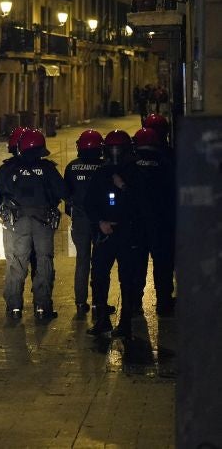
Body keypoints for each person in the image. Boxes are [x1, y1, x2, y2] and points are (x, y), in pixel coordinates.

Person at [0, 129, 66, 320]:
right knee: (43, 261)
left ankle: (14, 307)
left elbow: (0, 195)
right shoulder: (48, 169)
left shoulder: (7, 169)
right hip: (43, 221)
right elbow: (63, 192)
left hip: (18, 222)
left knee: (17, 263)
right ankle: (42, 307)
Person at [85, 130, 145, 338]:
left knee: (127, 279)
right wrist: (100, 223)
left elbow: (141, 204)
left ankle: (126, 322)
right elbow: (89, 203)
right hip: (105, 233)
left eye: (119, 149)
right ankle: (102, 320)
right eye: (113, 150)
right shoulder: (101, 173)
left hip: (127, 232)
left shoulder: (135, 173)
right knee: (99, 277)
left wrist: (124, 187)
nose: (116, 154)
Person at [132, 127, 176, 317]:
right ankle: (164, 304)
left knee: (137, 263)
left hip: (137, 222)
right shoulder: (167, 161)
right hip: (161, 221)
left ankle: (134, 303)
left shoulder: (130, 162)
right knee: (162, 263)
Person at [64, 129, 104, 316]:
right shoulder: (105, 167)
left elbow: (67, 197)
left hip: (79, 220)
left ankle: (80, 302)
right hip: (100, 221)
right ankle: (98, 302)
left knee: (82, 261)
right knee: (99, 262)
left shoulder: (71, 167)